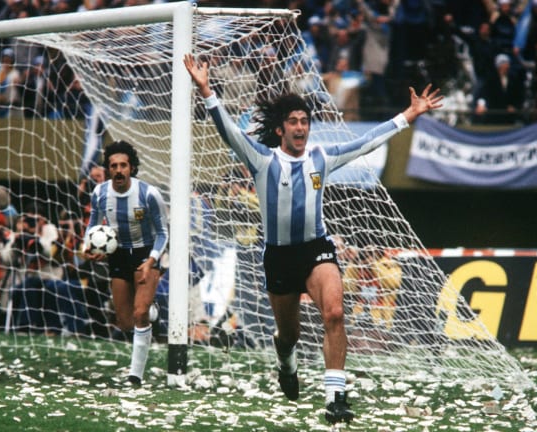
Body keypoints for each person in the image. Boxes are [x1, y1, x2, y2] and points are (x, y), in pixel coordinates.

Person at [184, 53, 442, 425]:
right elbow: (228, 131)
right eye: (294, 122)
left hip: (316, 249)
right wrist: (207, 90)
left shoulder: (321, 158)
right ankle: (286, 365)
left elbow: (367, 142)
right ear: (280, 130)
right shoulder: (261, 160)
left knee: (334, 314)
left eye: (305, 121)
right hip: (278, 256)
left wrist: (408, 116)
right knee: (288, 335)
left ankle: (336, 398)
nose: (301, 127)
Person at [83, 140, 169, 387]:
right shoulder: (99, 193)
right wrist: (88, 247)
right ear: (108, 170)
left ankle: (135, 377)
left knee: (140, 312)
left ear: (131, 168)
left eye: (123, 165)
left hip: (146, 254)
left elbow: (163, 232)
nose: (119, 170)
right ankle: (152, 313)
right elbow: (92, 226)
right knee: (124, 321)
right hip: (118, 254)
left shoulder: (148, 194)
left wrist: (152, 260)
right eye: (113, 166)